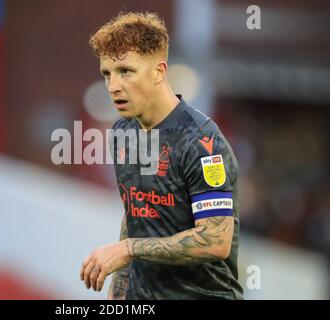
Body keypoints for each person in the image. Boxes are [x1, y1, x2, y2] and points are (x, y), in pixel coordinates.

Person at [80, 12, 244, 300]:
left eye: (126, 71)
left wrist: (127, 249)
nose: (113, 86)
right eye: (107, 74)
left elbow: (216, 240)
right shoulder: (122, 132)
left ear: (159, 71)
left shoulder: (202, 141)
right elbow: (135, 214)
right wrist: (118, 296)